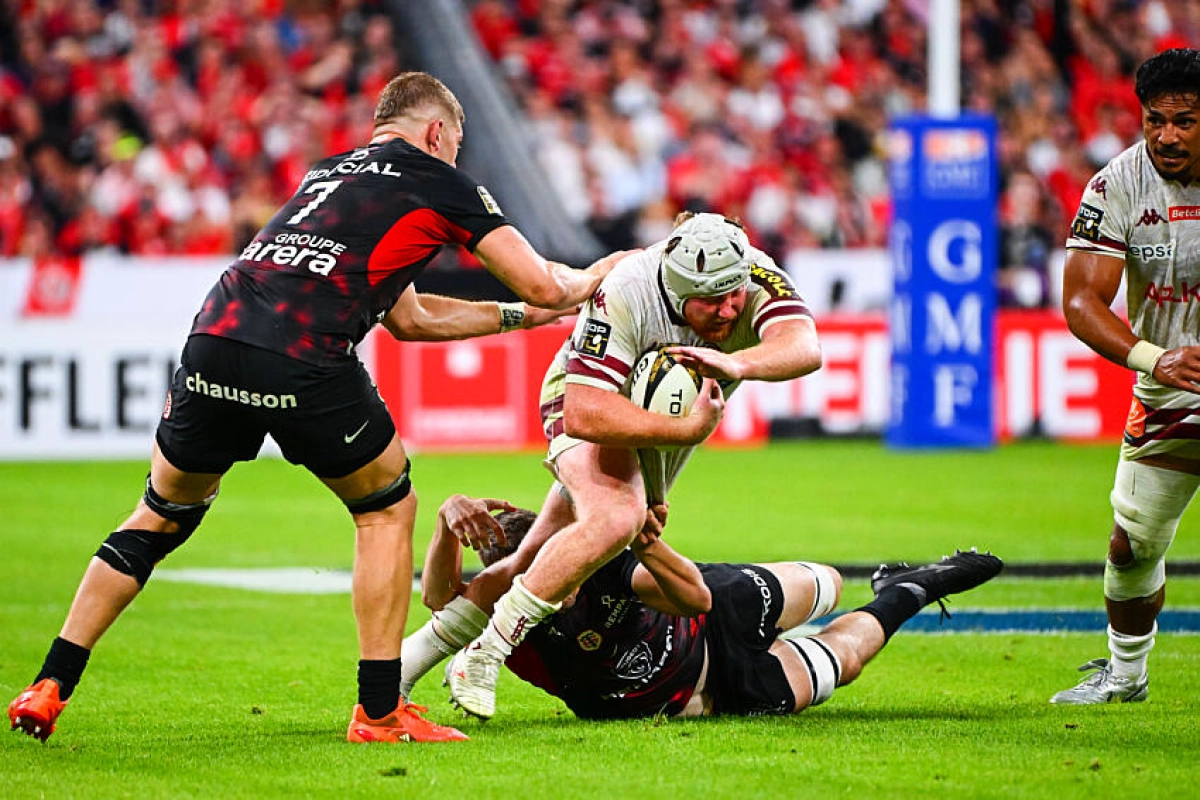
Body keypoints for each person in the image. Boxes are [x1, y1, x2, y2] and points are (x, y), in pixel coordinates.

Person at [7, 71, 624, 744]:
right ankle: (379, 711)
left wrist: (519, 318)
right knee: (386, 508)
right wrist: (592, 281)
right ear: (438, 132)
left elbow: (411, 320)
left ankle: (50, 684)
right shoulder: (439, 180)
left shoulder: (330, 175)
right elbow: (541, 278)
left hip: (213, 337)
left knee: (159, 515)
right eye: (456, 143)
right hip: (302, 354)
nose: (453, 155)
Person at [441, 211, 824, 719]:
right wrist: (686, 432)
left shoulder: (750, 271)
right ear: (679, 288)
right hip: (584, 401)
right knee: (617, 517)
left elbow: (806, 346)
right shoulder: (628, 289)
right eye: (713, 300)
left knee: (532, 556)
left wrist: (739, 363)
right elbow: (583, 411)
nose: (731, 308)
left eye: (736, 294)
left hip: (655, 419)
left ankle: (397, 673)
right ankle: (487, 652)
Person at [407, 495, 1003, 719]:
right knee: (844, 658)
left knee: (827, 583)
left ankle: (890, 580)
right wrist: (444, 526)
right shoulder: (504, 622)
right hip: (712, 692)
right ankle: (912, 590)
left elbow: (695, 595)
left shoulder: (602, 565)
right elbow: (438, 600)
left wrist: (646, 542)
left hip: (714, 612)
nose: (553, 587)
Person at [1052, 48, 1200, 705]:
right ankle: (1126, 676)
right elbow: (1082, 301)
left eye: (1186, 122)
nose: (1167, 135)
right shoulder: (1117, 183)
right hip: (1171, 387)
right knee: (1130, 543)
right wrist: (1154, 358)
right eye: (1155, 120)